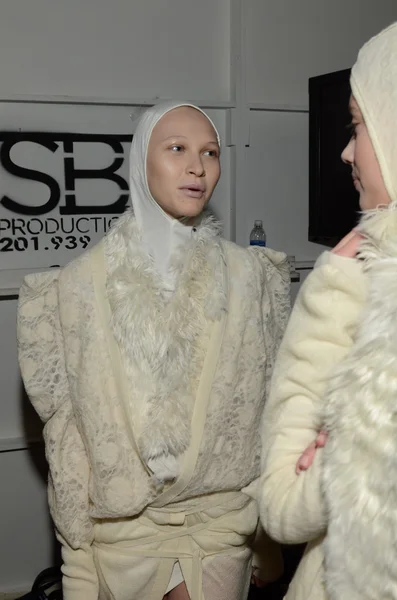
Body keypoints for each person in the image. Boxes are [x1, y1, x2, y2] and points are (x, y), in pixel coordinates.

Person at [17, 101, 289, 600]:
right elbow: (68, 436)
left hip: (220, 529)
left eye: (210, 152)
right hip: (122, 539)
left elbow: (268, 411)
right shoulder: (77, 287)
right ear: (141, 162)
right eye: (177, 148)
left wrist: (266, 540)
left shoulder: (252, 277)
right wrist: (76, 565)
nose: (197, 166)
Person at [258, 21, 397, 600]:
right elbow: (281, 507)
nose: (345, 151)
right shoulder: (349, 276)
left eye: (358, 125)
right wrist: (345, 457)